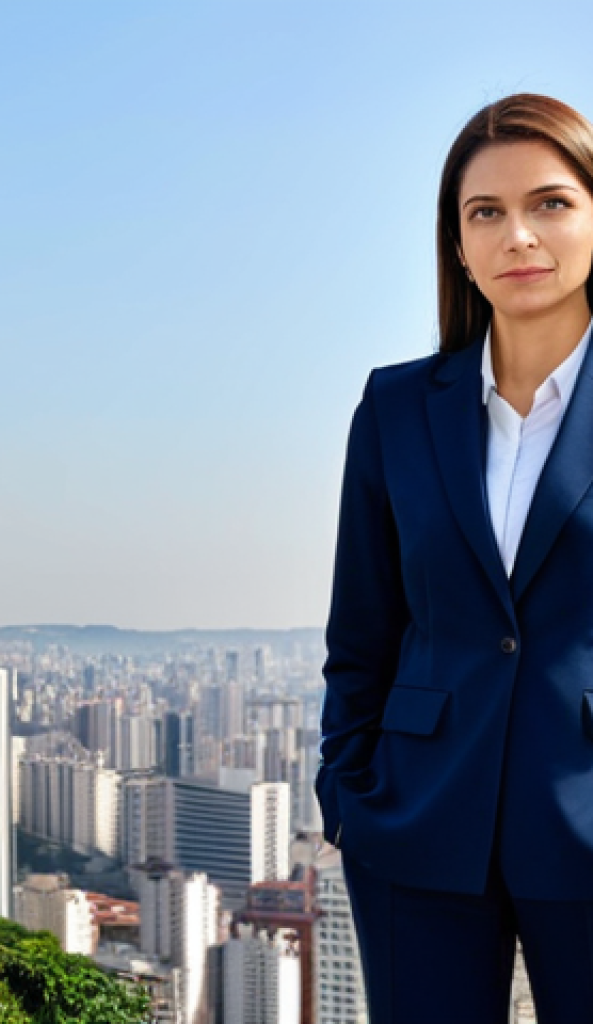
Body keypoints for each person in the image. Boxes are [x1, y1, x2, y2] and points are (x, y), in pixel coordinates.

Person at [316, 93, 593, 1024]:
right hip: (417, 824)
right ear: (459, 244)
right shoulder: (396, 411)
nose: (519, 234)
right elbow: (362, 632)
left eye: (551, 203)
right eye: (487, 213)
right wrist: (347, 792)